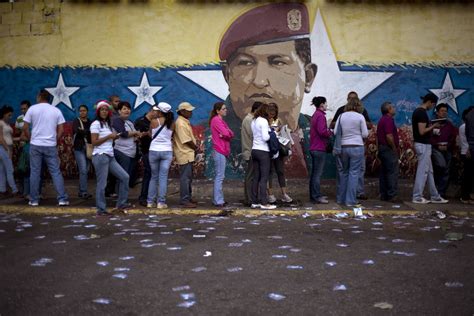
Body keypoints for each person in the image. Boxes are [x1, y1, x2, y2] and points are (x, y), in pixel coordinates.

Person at [218, 2, 317, 177]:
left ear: (308, 77)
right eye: (246, 63)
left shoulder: (315, 132)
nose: (260, 80)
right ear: (227, 75)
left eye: (277, 62)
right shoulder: (210, 139)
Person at [22, 90, 69, 207]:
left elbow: (25, 127)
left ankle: (34, 200)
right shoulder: (56, 110)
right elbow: (61, 130)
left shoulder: (32, 109)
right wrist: (54, 140)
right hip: (50, 145)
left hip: (35, 145)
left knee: (35, 172)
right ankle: (62, 199)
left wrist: (31, 138)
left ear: (39, 97)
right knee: (55, 172)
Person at [330, 91, 373, 200]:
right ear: (358, 103)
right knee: (354, 173)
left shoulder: (341, 115)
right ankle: (351, 200)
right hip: (357, 146)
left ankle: (341, 198)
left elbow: (335, 132)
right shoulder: (360, 116)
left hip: (343, 147)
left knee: (344, 172)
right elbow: (365, 134)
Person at [90, 100, 130, 216]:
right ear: (98, 111)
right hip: (100, 156)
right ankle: (101, 209)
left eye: (106, 110)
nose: (104, 112)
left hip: (110, 155)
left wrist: (113, 138)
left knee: (125, 177)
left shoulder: (107, 124)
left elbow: (108, 139)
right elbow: (94, 142)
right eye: (102, 110)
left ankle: (121, 204)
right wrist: (109, 136)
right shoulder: (96, 124)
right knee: (102, 184)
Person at [411, 93, 448, 204]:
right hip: (422, 145)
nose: (433, 107)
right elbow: (422, 131)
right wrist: (433, 126)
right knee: (423, 171)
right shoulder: (421, 113)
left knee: (429, 171)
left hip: (424, 145)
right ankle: (417, 196)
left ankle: (435, 196)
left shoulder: (419, 112)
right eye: (433, 104)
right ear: (430, 102)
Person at [147, 102, 174, 209]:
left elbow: (150, 134)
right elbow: (172, 135)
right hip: (167, 151)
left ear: (160, 111)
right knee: (163, 177)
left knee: (154, 177)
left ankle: (150, 202)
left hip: (153, 150)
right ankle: (161, 202)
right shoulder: (172, 123)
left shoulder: (153, 121)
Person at [250, 103, 277, 210]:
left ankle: (254, 201)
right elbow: (266, 137)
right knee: (264, 177)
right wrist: (272, 132)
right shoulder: (264, 121)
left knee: (256, 177)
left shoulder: (254, 121)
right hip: (263, 151)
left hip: (254, 150)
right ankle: (264, 202)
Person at [173, 102, 198, 208]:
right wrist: (196, 148)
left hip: (187, 153)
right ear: (182, 111)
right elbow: (186, 140)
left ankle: (188, 197)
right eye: (189, 111)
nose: (191, 112)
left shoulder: (184, 121)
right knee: (185, 178)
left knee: (188, 177)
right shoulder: (181, 123)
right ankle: (184, 199)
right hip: (184, 153)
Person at [112, 101, 142, 188]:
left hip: (131, 153)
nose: (127, 111)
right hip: (122, 152)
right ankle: (120, 197)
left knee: (126, 175)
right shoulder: (117, 121)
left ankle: (122, 196)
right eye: (124, 109)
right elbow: (124, 134)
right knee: (123, 176)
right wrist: (135, 133)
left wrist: (136, 136)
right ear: (119, 111)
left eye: (128, 109)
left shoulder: (129, 122)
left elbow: (133, 135)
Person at [210, 102, 234, 207]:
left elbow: (231, 133)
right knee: (220, 176)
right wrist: (226, 134)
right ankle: (218, 200)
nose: (225, 110)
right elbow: (226, 133)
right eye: (223, 109)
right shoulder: (216, 120)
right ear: (217, 111)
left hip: (221, 150)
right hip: (219, 150)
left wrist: (227, 134)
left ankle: (218, 199)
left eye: (225, 108)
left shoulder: (220, 121)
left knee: (219, 175)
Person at [267, 103, 293, 204]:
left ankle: (284, 194)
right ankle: (270, 194)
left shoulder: (279, 120)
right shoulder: (264, 121)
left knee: (280, 171)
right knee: (269, 172)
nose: (272, 115)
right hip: (269, 149)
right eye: (270, 113)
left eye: (274, 113)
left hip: (278, 149)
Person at [430, 103, 457, 198]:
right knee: (441, 165)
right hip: (436, 149)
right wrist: (437, 145)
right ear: (437, 112)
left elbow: (453, 137)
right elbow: (429, 137)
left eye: (445, 111)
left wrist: (448, 145)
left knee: (446, 170)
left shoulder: (449, 125)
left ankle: (441, 192)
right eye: (442, 111)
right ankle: (436, 187)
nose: (444, 113)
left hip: (447, 149)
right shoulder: (432, 124)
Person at [134, 105, 159, 206]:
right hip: (145, 151)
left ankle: (150, 196)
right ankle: (143, 197)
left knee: (152, 174)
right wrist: (145, 134)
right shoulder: (140, 121)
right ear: (152, 111)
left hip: (154, 150)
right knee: (148, 173)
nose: (158, 114)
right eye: (157, 112)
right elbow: (136, 136)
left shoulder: (155, 122)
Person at [309, 96, 332, 204]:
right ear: (322, 104)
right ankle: (317, 196)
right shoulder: (321, 116)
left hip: (314, 147)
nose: (327, 105)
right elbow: (322, 131)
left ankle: (313, 195)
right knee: (317, 174)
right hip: (319, 148)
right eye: (326, 103)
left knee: (314, 174)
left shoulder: (315, 115)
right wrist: (330, 132)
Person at [376, 102, 400, 202]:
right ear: (389, 109)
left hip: (382, 148)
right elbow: (389, 136)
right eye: (393, 107)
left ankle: (384, 194)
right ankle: (392, 195)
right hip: (387, 148)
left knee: (384, 172)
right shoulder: (388, 120)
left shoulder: (382, 120)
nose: (394, 109)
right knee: (392, 172)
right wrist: (394, 148)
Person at [241, 102, 261, 206]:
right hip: (250, 151)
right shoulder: (249, 120)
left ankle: (251, 197)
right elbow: (253, 135)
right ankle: (249, 198)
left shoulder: (251, 119)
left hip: (251, 151)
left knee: (252, 176)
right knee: (250, 176)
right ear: (256, 110)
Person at [72, 104, 92, 199]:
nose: (82, 112)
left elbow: (93, 133)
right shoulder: (76, 121)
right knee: (83, 170)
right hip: (79, 148)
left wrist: (83, 131)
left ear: (87, 112)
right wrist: (86, 131)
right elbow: (77, 130)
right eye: (80, 111)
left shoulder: (90, 122)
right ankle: (83, 191)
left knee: (86, 170)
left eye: (84, 110)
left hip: (88, 148)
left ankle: (81, 191)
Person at [0, 105, 19, 198]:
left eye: (11, 115)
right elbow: (0, 138)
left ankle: (2, 190)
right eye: (9, 115)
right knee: (9, 169)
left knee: (2, 170)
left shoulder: (7, 124)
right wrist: (7, 149)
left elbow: (10, 138)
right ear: (4, 114)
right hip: (3, 148)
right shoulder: (0, 123)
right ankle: (15, 190)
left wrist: (20, 138)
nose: (10, 117)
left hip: (7, 148)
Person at [459, 106, 474, 204]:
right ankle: (466, 196)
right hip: (468, 152)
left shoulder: (463, 126)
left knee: (468, 175)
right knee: (468, 175)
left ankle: (466, 196)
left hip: (466, 151)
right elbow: (469, 139)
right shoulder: (464, 127)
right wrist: (470, 148)